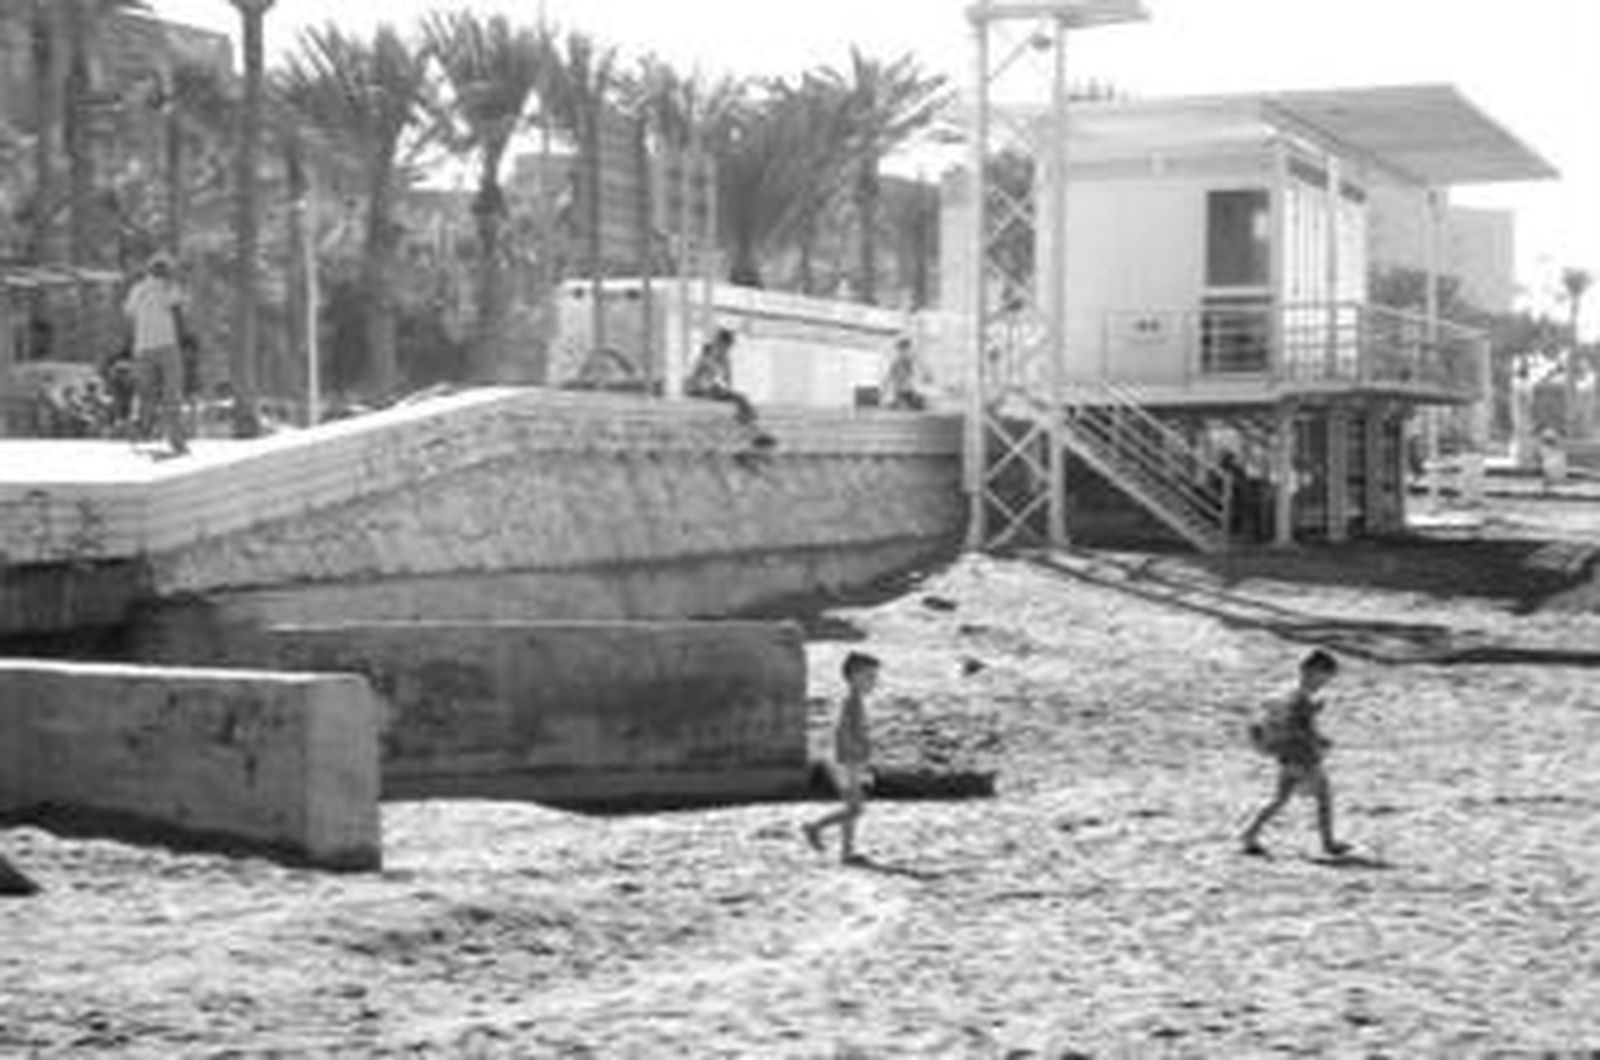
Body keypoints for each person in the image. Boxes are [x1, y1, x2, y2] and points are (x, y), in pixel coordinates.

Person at [1241, 649, 1351, 858]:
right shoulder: (1301, 699)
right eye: (1324, 677)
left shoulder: (1286, 693)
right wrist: (1320, 742)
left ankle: (1249, 834)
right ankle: (1328, 843)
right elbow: (1302, 729)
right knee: (1324, 797)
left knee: (1279, 799)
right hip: (1304, 757)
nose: (1324, 683)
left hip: (1285, 756)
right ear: (1310, 672)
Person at [802, 651, 881, 865]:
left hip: (849, 760)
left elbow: (854, 732)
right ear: (854, 676)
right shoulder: (851, 702)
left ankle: (846, 853)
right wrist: (853, 762)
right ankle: (814, 827)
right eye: (870, 677)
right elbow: (842, 732)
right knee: (856, 808)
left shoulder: (854, 701)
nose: (874, 682)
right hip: (847, 761)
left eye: (875, 677)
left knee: (850, 807)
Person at [122, 253, 189, 456]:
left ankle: (139, 429)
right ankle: (176, 441)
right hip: (167, 345)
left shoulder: (138, 289)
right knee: (172, 394)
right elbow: (177, 313)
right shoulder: (169, 286)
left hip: (143, 347)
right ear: (166, 271)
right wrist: (184, 340)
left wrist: (133, 341)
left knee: (145, 393)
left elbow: (130, 315)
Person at [686, 326, 775, 462]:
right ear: (719, 342)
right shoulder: (708, 353)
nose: (727, 349)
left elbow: (727, 380)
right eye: (725, 346)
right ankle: (755, 432)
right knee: (739, 399)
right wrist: (719, 380)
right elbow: (706, 375)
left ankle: (755, 432)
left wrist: (725, 373)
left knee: (741, 399)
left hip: (711, 389)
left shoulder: (724, 357)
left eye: (728, 347)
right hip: (698, 389)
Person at [881, 335, 929, 411]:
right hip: (898, 391)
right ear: (900, 349)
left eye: (909, 349)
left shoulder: (910, 361)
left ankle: (905, 402)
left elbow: (916, 376)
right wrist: (885, 390)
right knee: (896, 403)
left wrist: (916, 387)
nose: (909, 352)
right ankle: (897, 402)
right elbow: (888, 377)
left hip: (909, 390)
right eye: (907, 349)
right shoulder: (895, 361)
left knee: (918, 402)